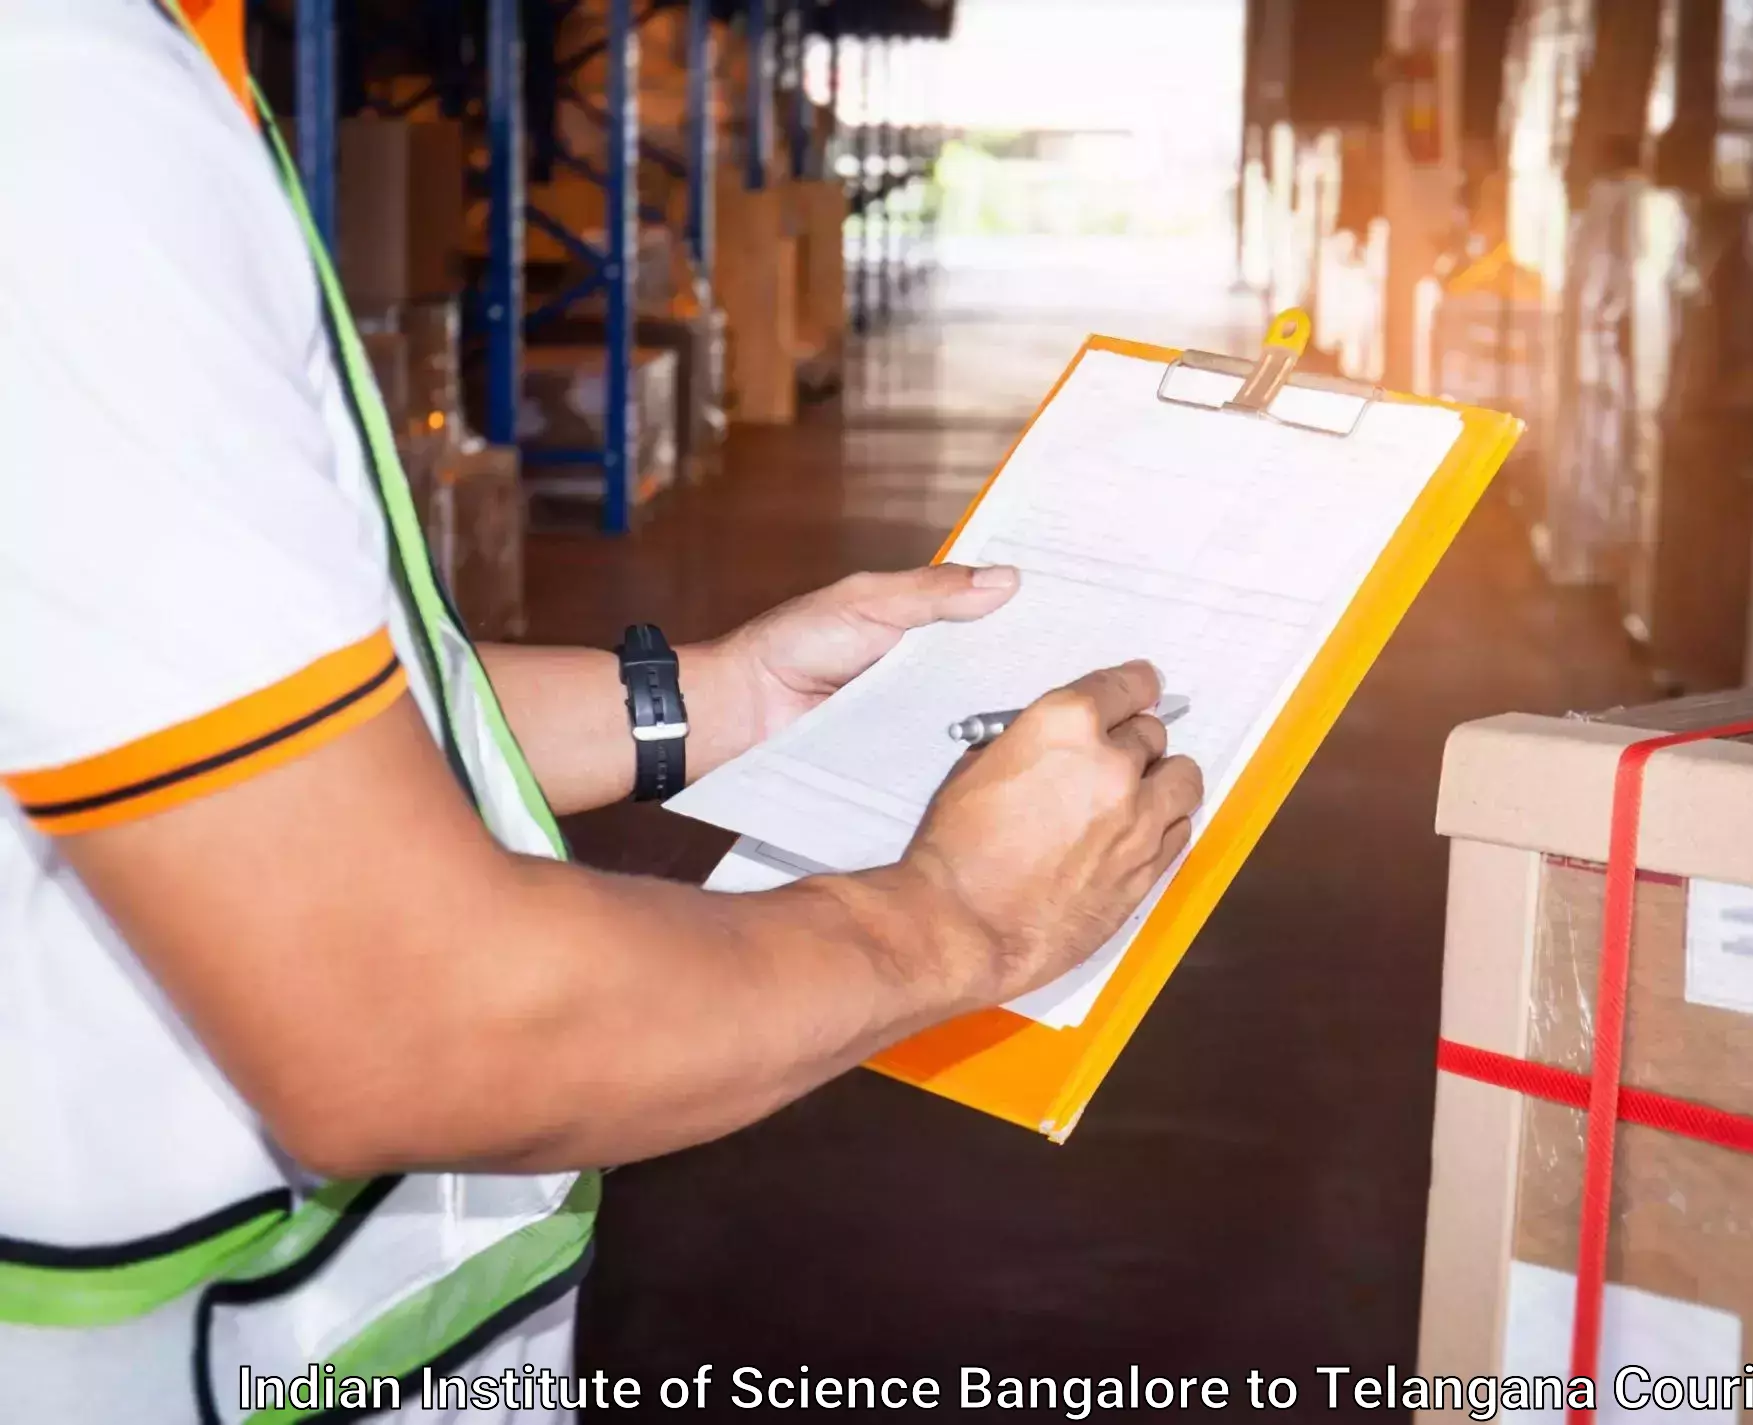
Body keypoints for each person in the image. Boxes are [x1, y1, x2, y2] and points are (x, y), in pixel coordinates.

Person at [0, 2, 1203, 1420]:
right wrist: (956, 921)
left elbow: (201, 720)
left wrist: (726, 697)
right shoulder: (62, 109)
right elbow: (412, 1023)